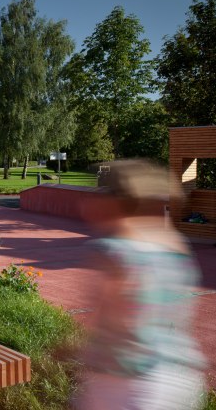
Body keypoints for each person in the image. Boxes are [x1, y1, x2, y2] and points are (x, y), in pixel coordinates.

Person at [74, 160, 206, 410]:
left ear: (116, 202)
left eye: (101, 194)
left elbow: (114, 318)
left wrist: (76, 349)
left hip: (127, 384)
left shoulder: (113, 251)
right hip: (179, 378)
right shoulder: (175, 245)